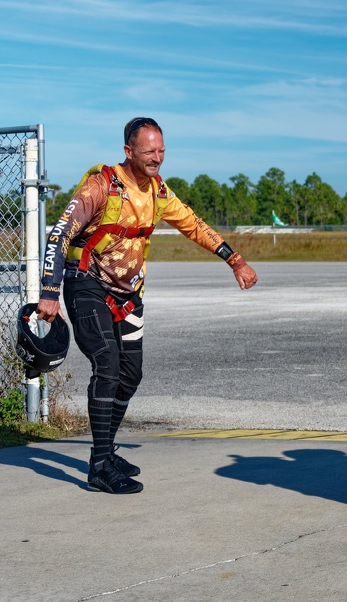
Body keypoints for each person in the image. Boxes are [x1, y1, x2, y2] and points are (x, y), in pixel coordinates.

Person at [36, 117, 258, 494]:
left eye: (161, 151)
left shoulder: (158, 191)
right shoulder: (101, 186)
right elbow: (60, 233)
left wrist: (234, 259)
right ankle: (101, 465)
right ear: (128, 151)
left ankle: (105, 451)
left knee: (130, 374)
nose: (157, 158)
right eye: (149, 151)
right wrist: (49, 290)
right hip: (85, 284)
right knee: (106, 365)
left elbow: (192, 223)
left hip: (128, 294)